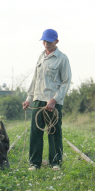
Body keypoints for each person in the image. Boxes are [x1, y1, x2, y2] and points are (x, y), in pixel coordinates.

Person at [22, 29, 72, 171]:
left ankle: (55, 163)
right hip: (38, 100)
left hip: (53, 103)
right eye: (44, 41)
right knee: (35, 133)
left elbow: (66, 82)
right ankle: (34, 163)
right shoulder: (40, 57)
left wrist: (54, 100)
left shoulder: (62, 59)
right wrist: (28, 99)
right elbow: (35, 79)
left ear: (56, 41)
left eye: (49, 41)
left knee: (54, 131)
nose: (46, 44)